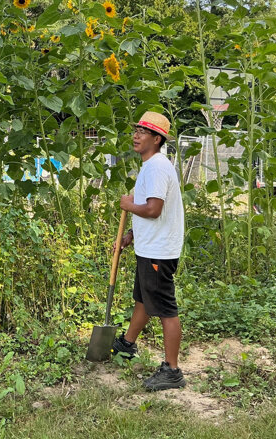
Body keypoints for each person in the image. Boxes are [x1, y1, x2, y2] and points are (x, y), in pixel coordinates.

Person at [111, 110, 186, 391]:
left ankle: (172, 370)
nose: (136, 135)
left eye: (143, 132)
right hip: (150, 246)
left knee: (166, 308)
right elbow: (151, 212)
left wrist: (128, 206)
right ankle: (127, 344)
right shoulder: (151, 166)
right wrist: (131, 234)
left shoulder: (156, 167)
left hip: (159, 252)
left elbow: (154, 210)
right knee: (142, 299)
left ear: (157, 139)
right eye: (136, 130)